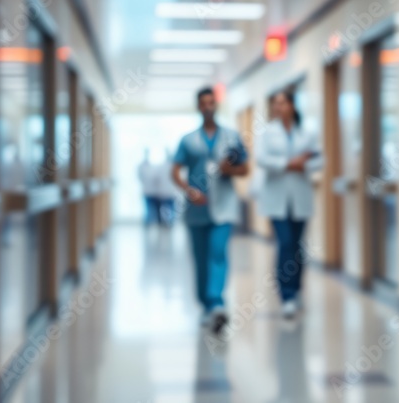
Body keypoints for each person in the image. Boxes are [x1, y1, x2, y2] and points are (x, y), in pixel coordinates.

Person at [172, 87, 249, 333]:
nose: (208, 107)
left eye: (211, 103)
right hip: (197, 208)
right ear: (198, 107)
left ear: (216, 105)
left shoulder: (232, 137)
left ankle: (216, 303)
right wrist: (188, 190)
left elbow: (245, 169)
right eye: (203, 103)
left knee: (217, 252)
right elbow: (175, 171)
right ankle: (205, 305)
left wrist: (230, 170)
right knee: (200, 258)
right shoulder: (188, 140)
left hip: (224, 206)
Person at [255, 91, 323, 318]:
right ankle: (287, 296)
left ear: (292, 105)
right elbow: (261, 159)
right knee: (285, 243)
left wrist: (304, 165)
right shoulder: (267, 133)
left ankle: (297, 289)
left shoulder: (307, 132)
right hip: (276, 199)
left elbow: (320, 159)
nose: (278, 107)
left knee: (297, 247)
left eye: (282, 103)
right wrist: (288, 163)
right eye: (275, 103)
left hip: (300, 198)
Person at [138, 149, 163, 225]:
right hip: (146, 191)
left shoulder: (152, 166)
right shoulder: (141, 166)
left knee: (156, 209)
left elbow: (157, 179)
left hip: (154, 192)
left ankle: (157, 222)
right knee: (148, 209)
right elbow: (140, 177)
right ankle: (147, 223)